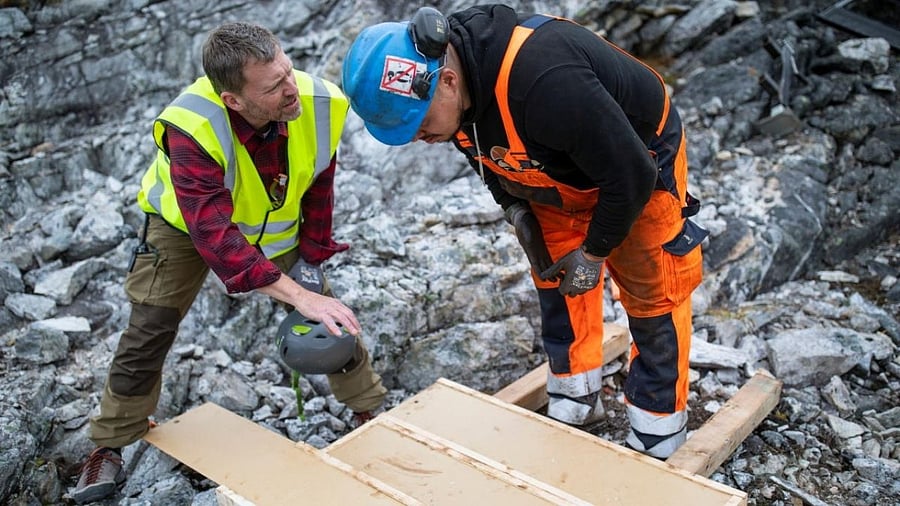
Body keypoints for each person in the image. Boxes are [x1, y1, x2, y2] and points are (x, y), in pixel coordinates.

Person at [342, 5, 707, 459]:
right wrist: (516, 210)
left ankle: (658, 430)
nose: (420, 138)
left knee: (653, 289)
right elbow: (484, 157)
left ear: (448, 82)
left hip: (636, 163)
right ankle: (577, 393)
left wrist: (594, 253)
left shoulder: (546, 80)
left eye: (419, 127)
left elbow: (629, 175)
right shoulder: (450, 96)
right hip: (548, 170)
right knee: (555, 275)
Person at [69, 21, 386, 504]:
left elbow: (319, 180)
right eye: (274, 86)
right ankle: (111, 441)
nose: (291, 88)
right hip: (184, 228)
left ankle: (369, 410)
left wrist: (312, 259)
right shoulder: (191, 127)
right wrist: (296, 293)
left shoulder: (319, 103)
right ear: (233, 100)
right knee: (150, 326)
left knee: (325, 313)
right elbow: (215, 236)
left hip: (271, 220)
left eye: (288, 71)